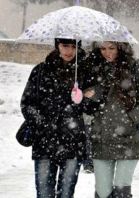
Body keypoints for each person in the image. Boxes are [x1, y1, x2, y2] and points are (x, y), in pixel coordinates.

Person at [83, 41, 139, 198]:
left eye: (111, 48)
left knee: (121, 190)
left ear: (121, 48)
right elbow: (87, 107)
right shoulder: (92, 68)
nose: (107, 52)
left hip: (129, 139)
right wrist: (86, 97)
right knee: (103, 192)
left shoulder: (135, 66)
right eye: (102, 48)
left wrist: (130, 118)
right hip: (101, 137)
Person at [20, 38, 87, 198]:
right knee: (44, 193)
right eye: (65, 46)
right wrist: (43, 124)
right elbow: (27, 103)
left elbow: (94, 106)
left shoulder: (84, 73)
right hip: (44, 142)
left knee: (66, 193)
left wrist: (82, 99)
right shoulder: (41, 71)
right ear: (57, 46)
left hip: (73, 142)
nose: (69, 51)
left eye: (73, 47)